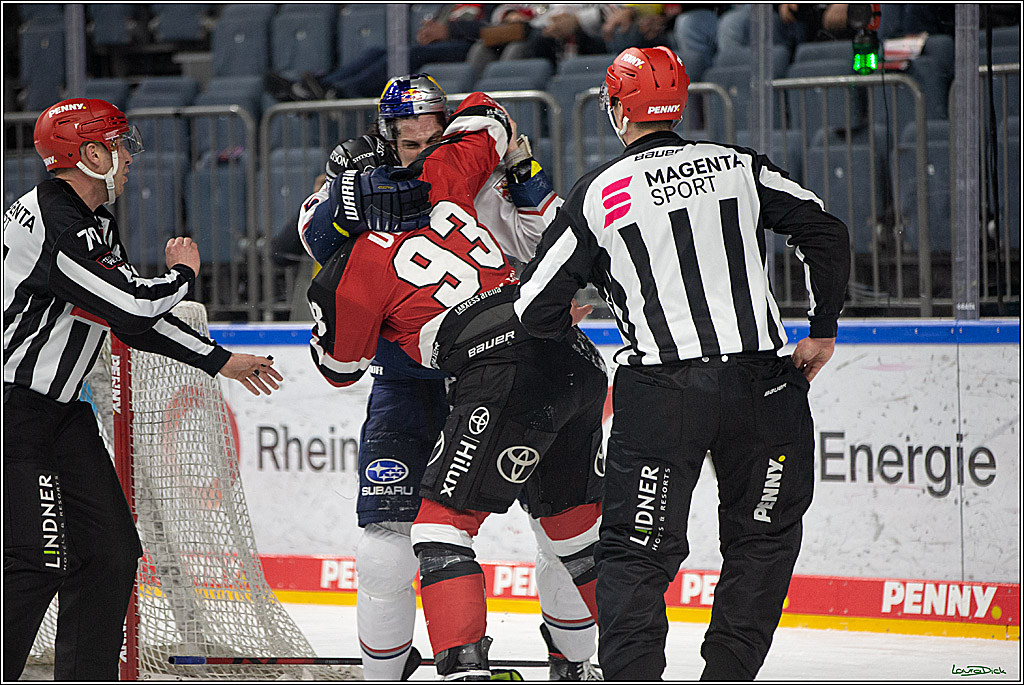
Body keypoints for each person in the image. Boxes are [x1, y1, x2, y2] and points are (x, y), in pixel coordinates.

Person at [514, 46, 851, 680]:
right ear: (682, 101)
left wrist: (585, 303)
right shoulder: (737, 166)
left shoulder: (600, 191)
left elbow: (534, 305)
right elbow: (826, 232)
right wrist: (823, 330)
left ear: (616, 107)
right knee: (764, 543)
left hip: (663, 393)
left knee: (636, 557)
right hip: (765, 387)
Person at [298, 76, 601, 681]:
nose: (424, 151)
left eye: (435, 137)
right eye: (410, 146)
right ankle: (388, 671)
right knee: (388, 545)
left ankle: (569, 664)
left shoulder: (461, 173)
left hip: (495, 365)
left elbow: (549, 244)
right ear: (385, 145)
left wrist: (524, 172)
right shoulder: (434, 175)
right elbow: (315, 231)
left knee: (551, 529)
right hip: (433, 376)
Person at [3, 98, 283, 681]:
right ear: (90, 154)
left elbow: (125, 318)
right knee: (33, 563)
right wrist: (182, 274)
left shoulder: (87, 220)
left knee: (109, 553)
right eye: (120, 144)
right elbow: (133, 308)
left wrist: (218, 359)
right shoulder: (62, 225)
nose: (130, 157)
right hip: (13, 409)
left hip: (56, 410)